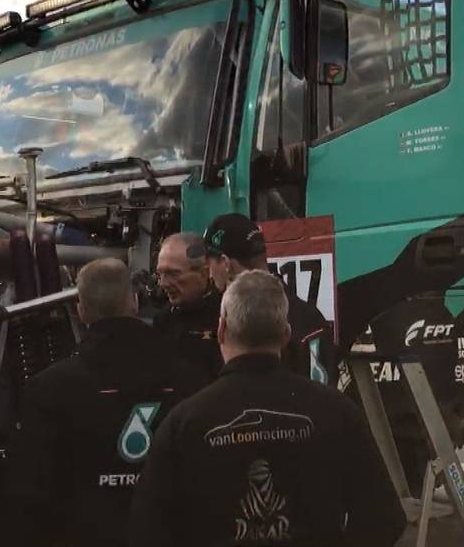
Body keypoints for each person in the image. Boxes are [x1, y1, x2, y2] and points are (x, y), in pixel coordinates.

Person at [129, 271, 406, 547]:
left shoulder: (185, 422)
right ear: (286, 335)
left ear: (222, 330)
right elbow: (385, 518)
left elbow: (147, 529)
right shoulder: (338, 411)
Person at [6, 258, 204, 547]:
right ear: (134, 302)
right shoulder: (189, 379)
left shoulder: (49, 388)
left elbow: (32, 491)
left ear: (81, 310)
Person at [203, 212, 337, 384]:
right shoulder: (310, 318)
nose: (209, 274)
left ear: (225, 263)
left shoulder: (228, 321)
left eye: (209, 263)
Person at [154, 232, 224, 382]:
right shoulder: (163, 320)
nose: (164, 283)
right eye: (160, 274)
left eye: (173, 274)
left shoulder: (226, 317)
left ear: (204, 272)